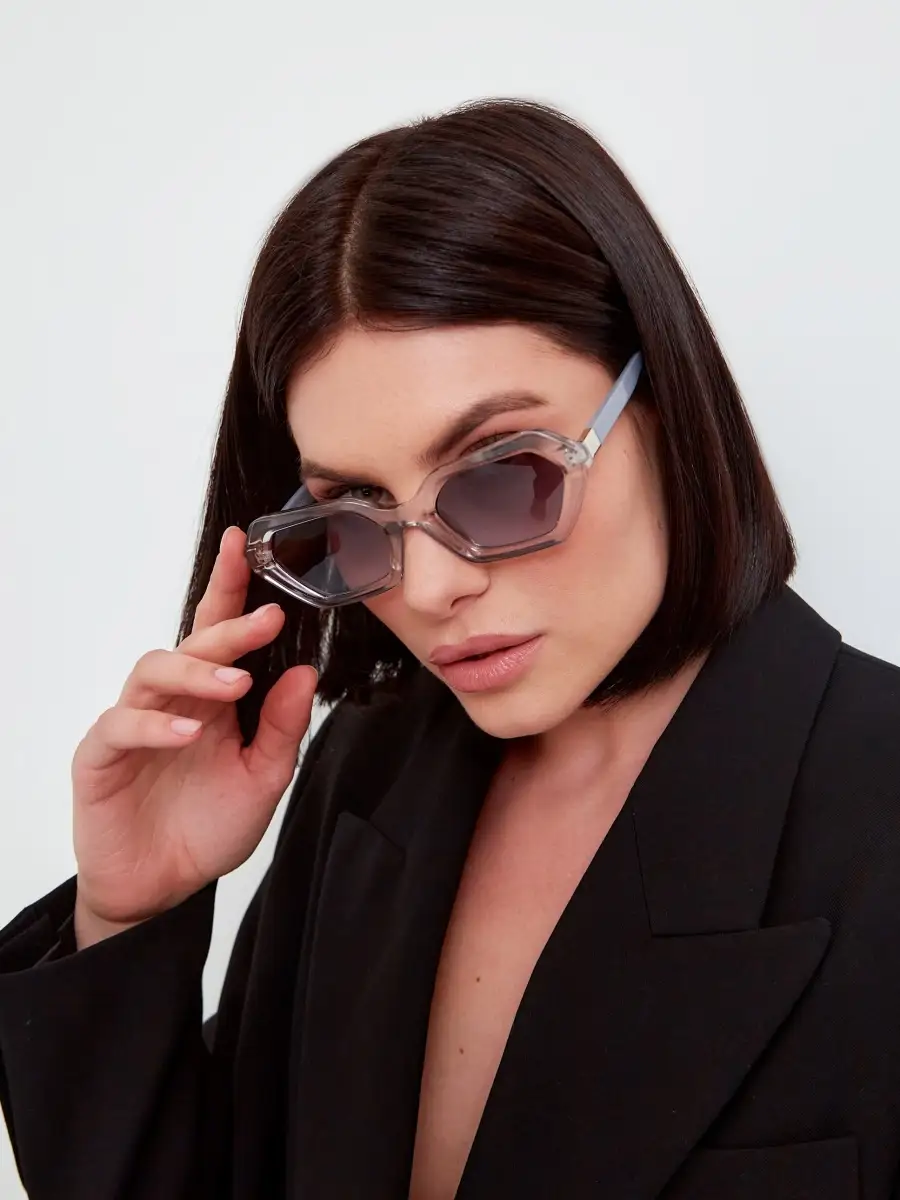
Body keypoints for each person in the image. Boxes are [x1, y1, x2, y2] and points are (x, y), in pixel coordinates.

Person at [1, 95, 899, 1200]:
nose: (427, 588)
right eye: (356, 517)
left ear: (661, 400)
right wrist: (126, 915)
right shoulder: (369, 773)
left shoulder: (876, 808)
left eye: (502, 477)